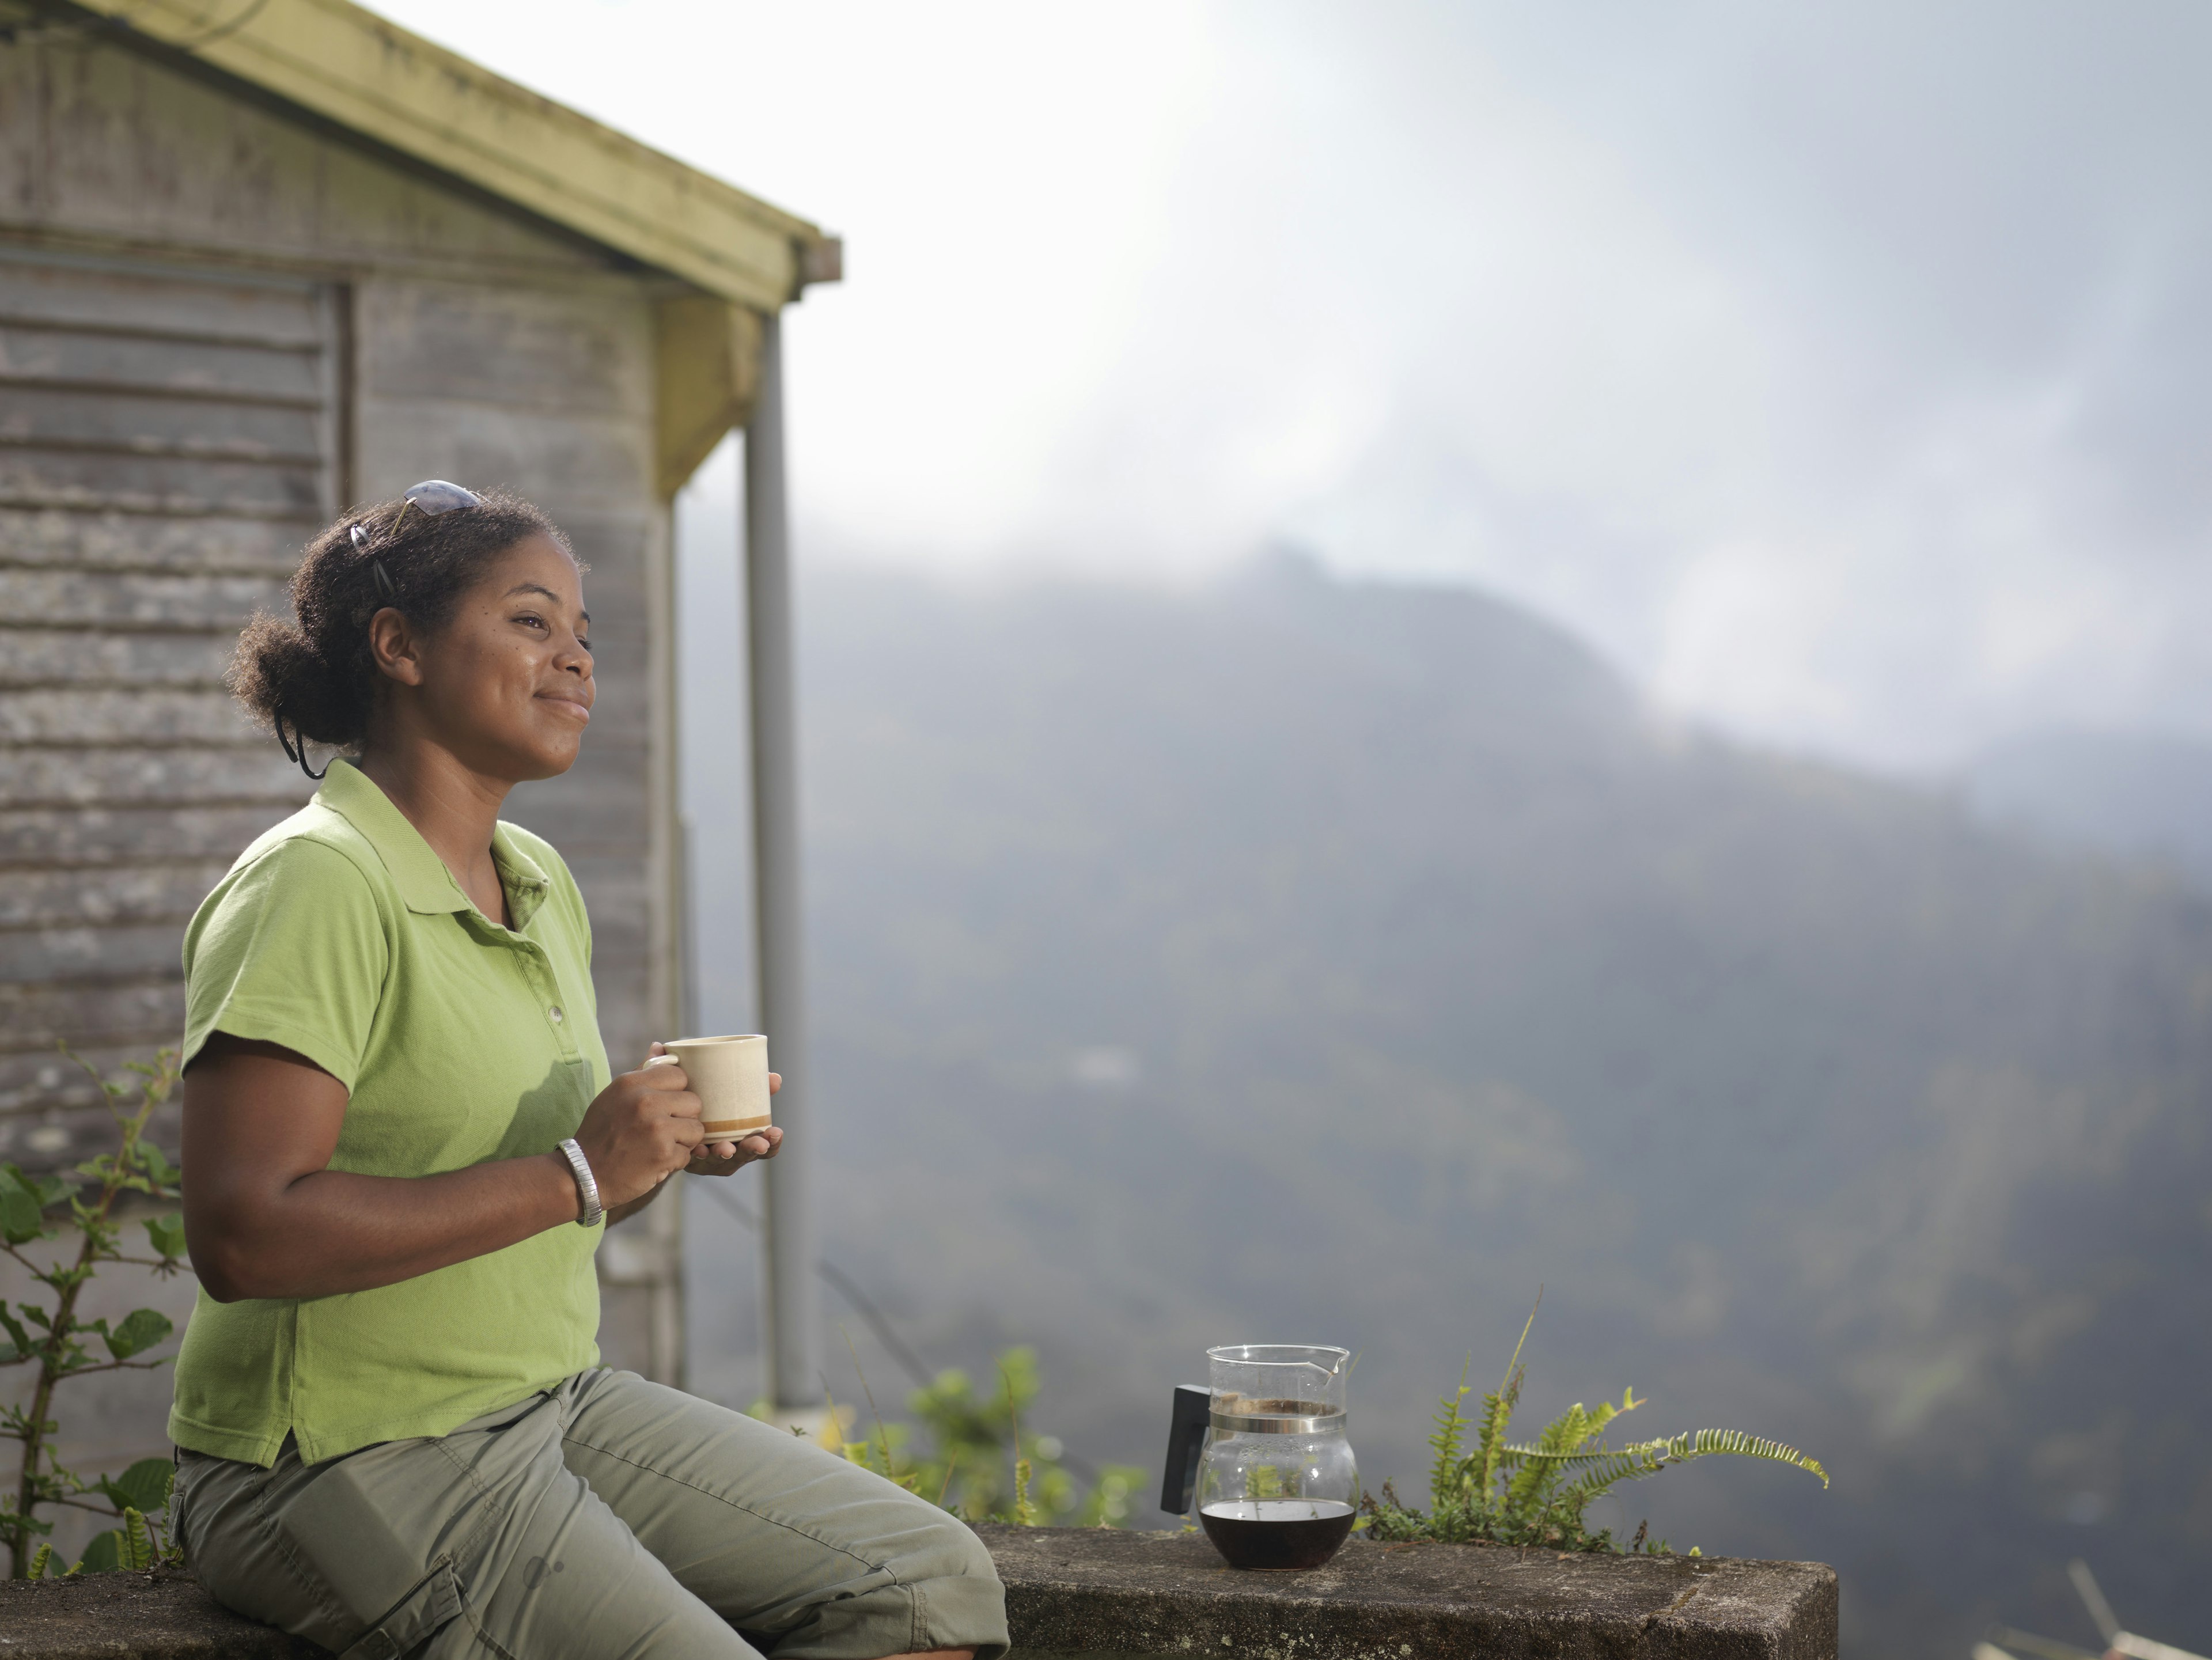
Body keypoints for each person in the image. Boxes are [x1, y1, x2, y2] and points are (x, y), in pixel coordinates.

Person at [168, 482, 1007, 1660]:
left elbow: (540, 1187)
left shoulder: (539, 881)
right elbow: (245, 1235)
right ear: (398, 646)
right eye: (530, 622)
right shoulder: (319, 880)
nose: (576, 660)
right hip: (339, 1454)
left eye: (583, 632)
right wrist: (579, 1169)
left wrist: (651, 1154)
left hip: (544, 1400)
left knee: (930, 1581)